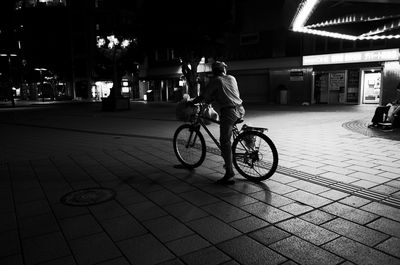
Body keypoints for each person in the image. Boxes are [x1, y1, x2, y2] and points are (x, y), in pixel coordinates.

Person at [190, 61, 245, 184]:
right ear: (223, 70)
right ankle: (229, 159)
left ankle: (229, 173)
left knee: (224, 141)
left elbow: (203, 96)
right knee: (228, 133)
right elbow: (226, 92)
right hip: (240, 110)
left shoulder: (216, 81)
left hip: (229, 112)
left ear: (214, 72)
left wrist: (191, 102)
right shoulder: (231, 78)